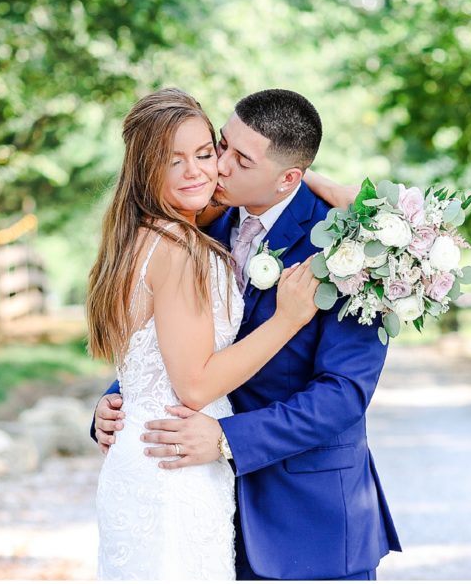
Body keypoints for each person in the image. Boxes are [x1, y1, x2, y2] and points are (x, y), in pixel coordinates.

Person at [94, 88, 401, 580]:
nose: (217, 165)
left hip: (307, 518)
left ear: (288, 179)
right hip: (203, 503)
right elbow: (172, 335)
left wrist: (226, 439)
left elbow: (343, 396)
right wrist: (119, 400)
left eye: (239, 158)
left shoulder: (352, 248)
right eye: (221, 144)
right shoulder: (199, 219)